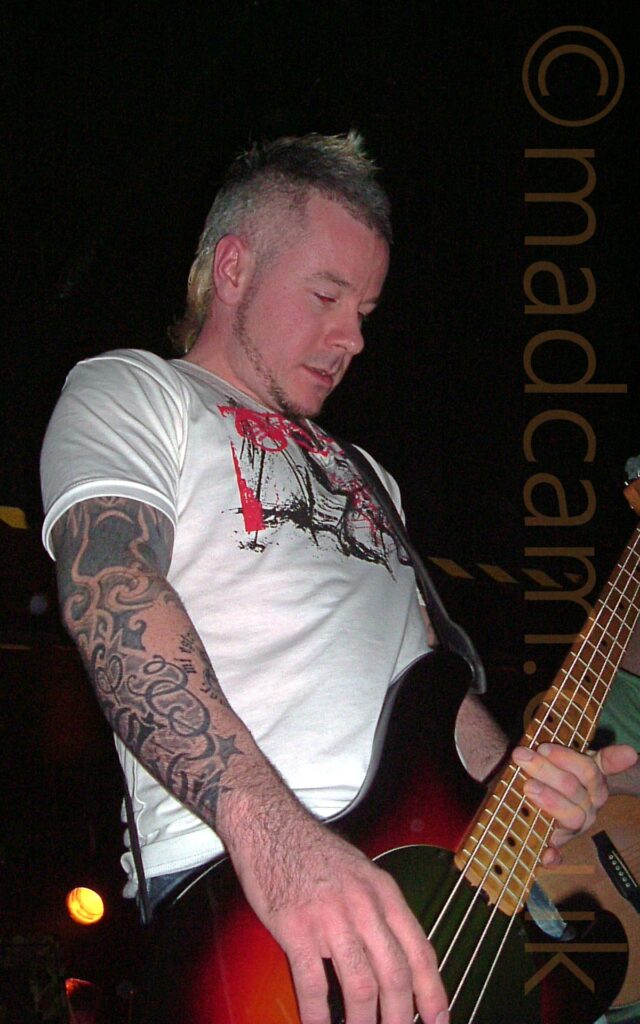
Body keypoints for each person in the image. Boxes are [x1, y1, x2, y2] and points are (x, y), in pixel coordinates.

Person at [40, 132, 639, 1024]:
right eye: (326, 295)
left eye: (365, 308)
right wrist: (279, 842)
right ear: (235, 268)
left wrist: (516, 782)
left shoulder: (370, 475)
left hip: (438, 912)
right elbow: (113, 592)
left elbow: (430, 695)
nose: (353, 336)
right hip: (256, 901)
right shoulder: (135, 392)